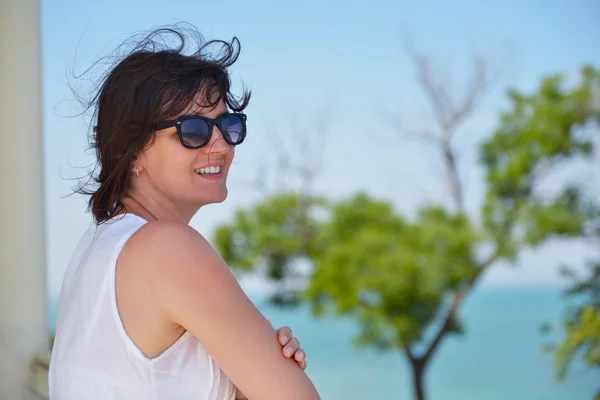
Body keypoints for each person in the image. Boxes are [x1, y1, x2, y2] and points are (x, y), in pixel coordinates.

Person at [48, 25, 321, 400]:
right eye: (193, 130)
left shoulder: (96, 248)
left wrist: (247, 367)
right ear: (134, 149)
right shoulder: (168, 248)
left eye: (229, 125)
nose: (221, 145)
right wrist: (273, 369)